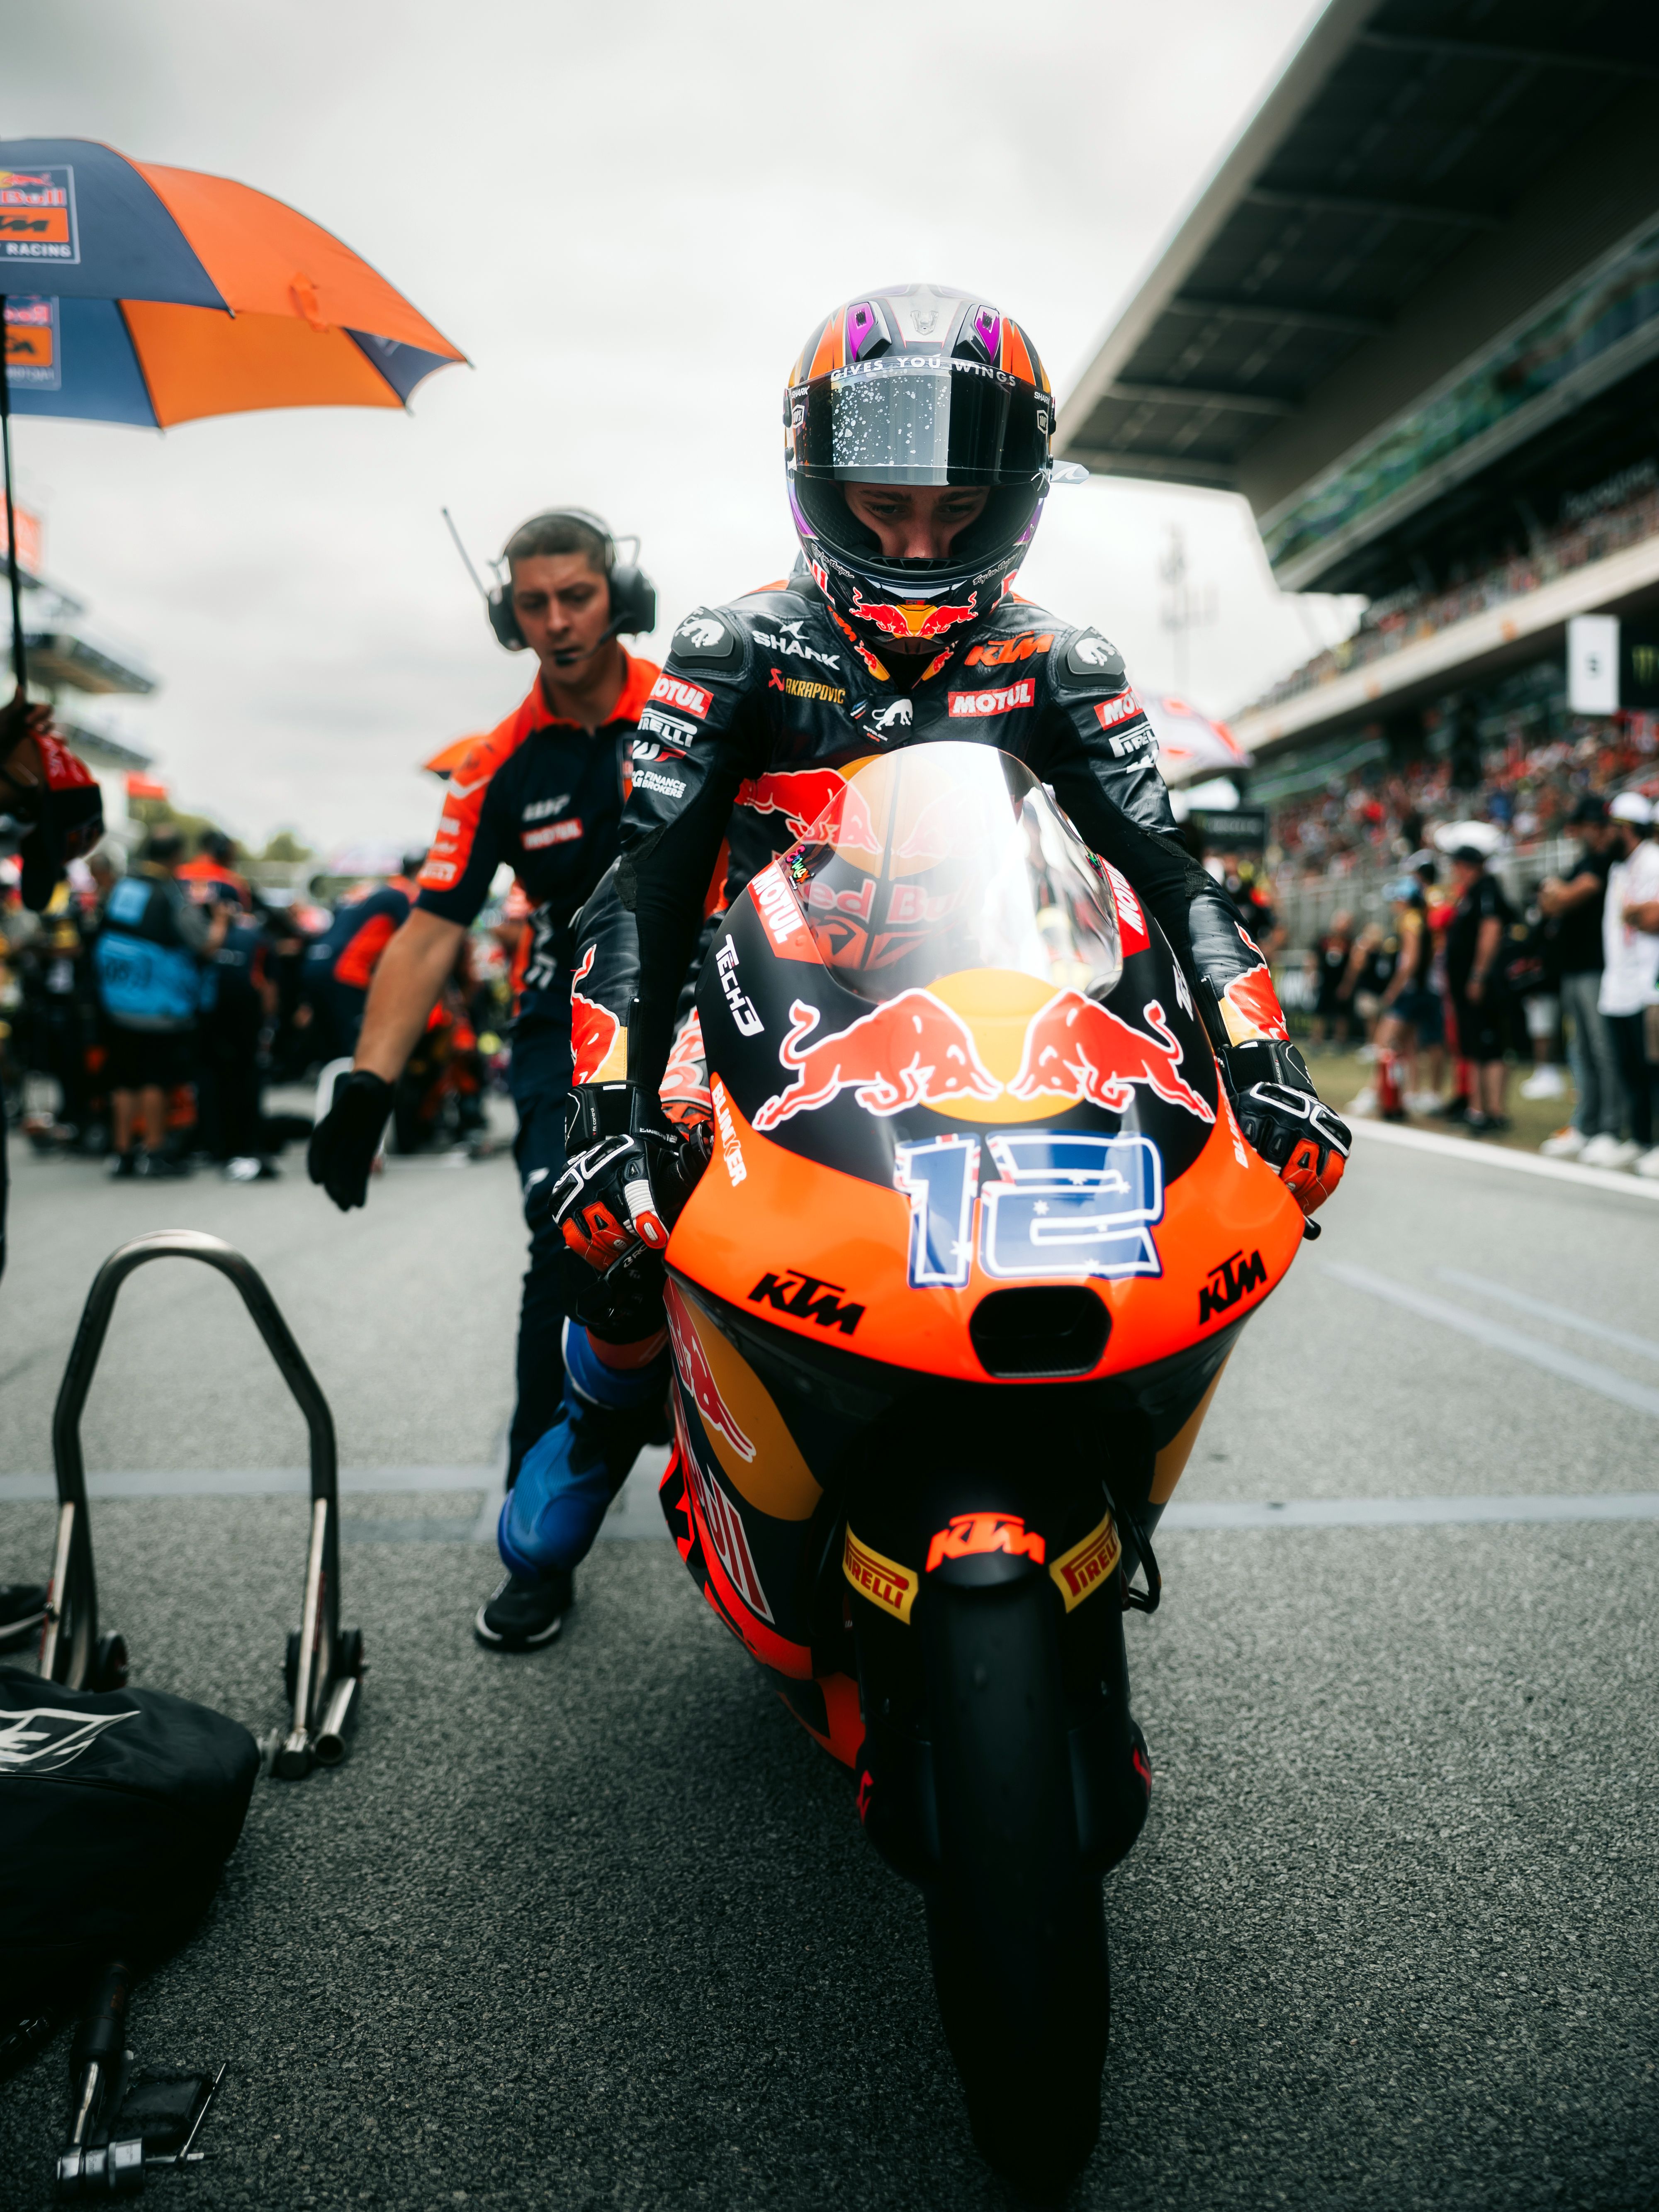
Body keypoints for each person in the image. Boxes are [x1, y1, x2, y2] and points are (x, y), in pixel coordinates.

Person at [513, 284, 1350, 1633]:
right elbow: (643, 895)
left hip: (1010, 1011)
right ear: (819, 487)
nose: (919, 542)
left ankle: (1080, 1469)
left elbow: (1167, 877)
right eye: (885, 507)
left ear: (1015, 499)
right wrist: (602, 1114)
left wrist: (1270, 1064)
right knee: (616, 1226)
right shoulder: (732, 650)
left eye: (958, 510)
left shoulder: (1065, 661)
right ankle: (600, 1418)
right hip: (762, 1009)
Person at [306, 510, 662, 1650]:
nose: (557, 621)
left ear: (618, 595)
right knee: (571, 1233)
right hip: (567, 1019)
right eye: (533, 603)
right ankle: (538, 1529)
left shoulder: (693, 705)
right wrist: (367, 1086)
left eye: (576, 596)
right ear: (509, 615)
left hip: (713, 1002)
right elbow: (427, 931)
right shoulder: (494, 763)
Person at [93, 825, 228, 1177]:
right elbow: (205, 944)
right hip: (158, 1007)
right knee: (156, 1078)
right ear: (176, 856)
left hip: (116, 1000)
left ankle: (123, 1153)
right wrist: (221, 922)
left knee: (125, 1079)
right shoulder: (171, 894)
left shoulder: (123, 887)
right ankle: (154, 1151)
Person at [1538, 796, 1621, 1160]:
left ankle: (1610, 1127)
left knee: (1603, 1050)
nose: (1579, 832)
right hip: (1575, 970)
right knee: (1581, 1050)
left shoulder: (1607, 861)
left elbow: (1567, 896)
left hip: (1597, 968)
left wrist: (1558, 892)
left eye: (1584, 825)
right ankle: (1587, 1124)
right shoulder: (1585, 862)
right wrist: (1557, 894)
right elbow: (1549, 901)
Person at [300, 859, 424, 1063]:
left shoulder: (367, 890)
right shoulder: (402, 895)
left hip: (314, 964)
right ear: (417, 872)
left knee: (331, 1049)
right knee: (355, 1050)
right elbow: (416, 942)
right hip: (346, 972)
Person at [1594, 791, 1659, 1174]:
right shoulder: (1619, 867)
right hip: (1619, 983)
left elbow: (1652, 918)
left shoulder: (1653, 860)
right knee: (1629, 1068)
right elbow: (1632, 915)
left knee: (1653, 1071)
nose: (1606, 834)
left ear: (1627, 828)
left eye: (1612, 826)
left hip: (1649, 984)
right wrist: (1636, 913)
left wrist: (1638, 913)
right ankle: (1639, 1138)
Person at [1442, 844, 1513, 1134]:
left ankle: (1493, 1111)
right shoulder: (1471, 894)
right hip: (1468, 986)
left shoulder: (1487, 890)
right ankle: (1477, 1108)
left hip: (1484, 985)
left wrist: (1478, 975)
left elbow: (1490, 931)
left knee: (1488, 1046)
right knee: (1473, 1046)